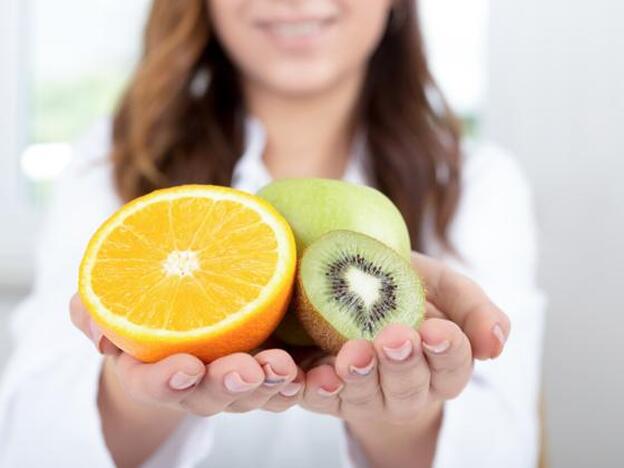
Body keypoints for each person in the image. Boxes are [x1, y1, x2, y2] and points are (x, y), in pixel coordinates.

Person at [0, 1, 545, 467]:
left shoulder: (476, 181)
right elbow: (29, 442)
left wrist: (403, 414)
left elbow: (502, 448)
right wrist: (140, 394)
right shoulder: (112, 164)